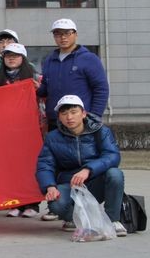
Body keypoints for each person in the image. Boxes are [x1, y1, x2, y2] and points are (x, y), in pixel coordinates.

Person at [35, 95, 127, 237]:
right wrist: (50, 186)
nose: (69, 117)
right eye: (64, 113)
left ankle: (112, 220)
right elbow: (44, 165)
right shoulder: (53, 137)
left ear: (83, 113)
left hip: (95, 181)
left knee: (115, 174)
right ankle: (74, 219)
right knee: (56, 203)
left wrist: (88, 169)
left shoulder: (100, 131)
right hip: (69, 184)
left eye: (74, 112)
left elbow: (112, 156)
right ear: (59, 117)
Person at [0, 43, 42, 218]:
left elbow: (44, 98)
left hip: (30, 128)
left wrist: (38, 90)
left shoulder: (34, 77)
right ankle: (16, 202)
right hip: (7, 130)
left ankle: (32, 204)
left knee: (29, 166)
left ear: (23, 58)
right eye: (7, 55)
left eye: (15, 55)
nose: (11, 58)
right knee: (11, 167)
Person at [38, 18, 109, 131]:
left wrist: (94, 116)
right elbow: (45, 89)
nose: (63, 37)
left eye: (67, 33)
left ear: (76, 34)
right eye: (58, 34)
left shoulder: (89, 59)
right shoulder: (49, 60)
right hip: (55, 120)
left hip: (80, 121)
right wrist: (36, 88)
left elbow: (101, 89)